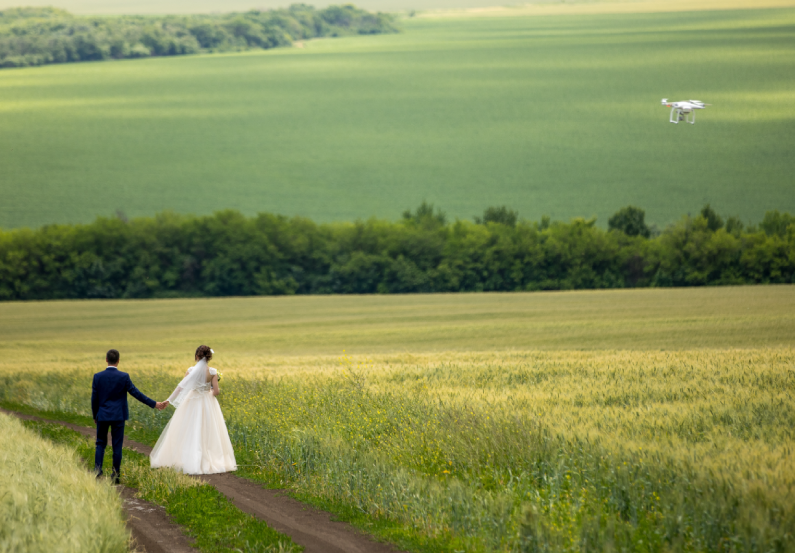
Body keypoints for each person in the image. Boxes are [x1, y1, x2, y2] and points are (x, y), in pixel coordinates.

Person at [150, 345, 237, 474]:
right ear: (209, 358)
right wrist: (209, 391)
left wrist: (168, 400)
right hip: (207, 403)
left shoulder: (190, 370)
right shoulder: (213, 372)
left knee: (188, 429)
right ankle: (207, 459)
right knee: (208, 430)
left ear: (196, 356)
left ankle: (187, 459)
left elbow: (181, 387)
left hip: (191, 401)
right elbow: (216, 392)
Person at [92, 349, 166, 484]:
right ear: (118, 361)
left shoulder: (98, 376)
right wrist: (154, 404)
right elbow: (136, 393)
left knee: (100, 444)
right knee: (117, 446)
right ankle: (115, 475)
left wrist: (95, 415)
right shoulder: (124, 377)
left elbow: (94, 399)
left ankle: (97, 472)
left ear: (106, 359)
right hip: (119, 416)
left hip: (102, 415)